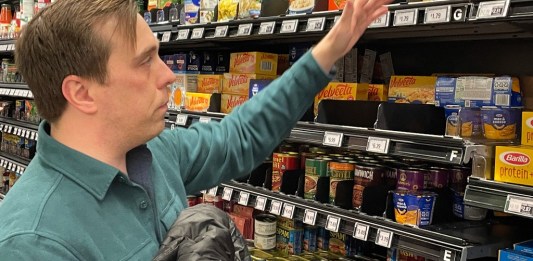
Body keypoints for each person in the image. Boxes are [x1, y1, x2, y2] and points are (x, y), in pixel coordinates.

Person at [0, 0, 389, 259]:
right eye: (145, 61)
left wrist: (331, 47)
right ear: (81, 93)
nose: (169, 75)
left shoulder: (154, 153)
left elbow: (240, 137)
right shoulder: (33, 240)